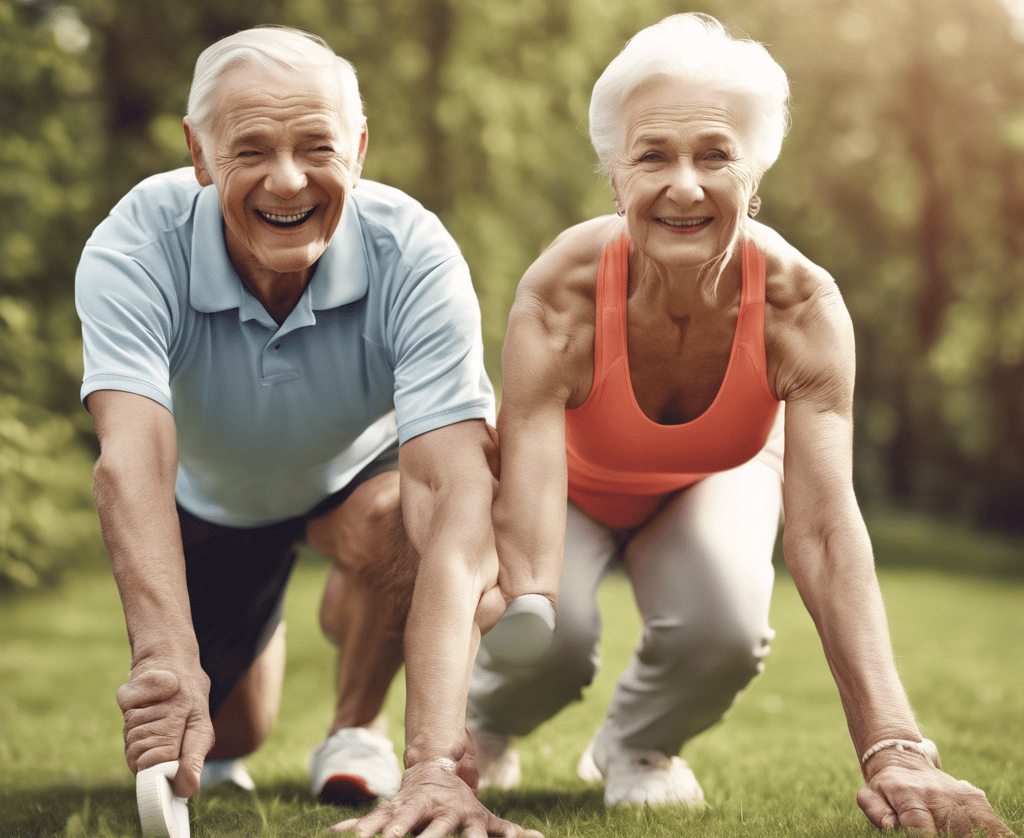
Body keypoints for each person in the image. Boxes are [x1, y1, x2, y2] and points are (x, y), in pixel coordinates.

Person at [468, 13, 1014, 837]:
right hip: (572, 487)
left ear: (753, 180)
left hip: (714, 476)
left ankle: (638, 746)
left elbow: (826, 531)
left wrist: (896, 745)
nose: (684, 185)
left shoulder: (802, 307)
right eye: (653, 155)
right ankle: (490, 725)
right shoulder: (562, 294)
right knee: (552, 633)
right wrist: (525, 612)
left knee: (725, 624)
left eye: (715, 155)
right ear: (614, 178)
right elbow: (529, 525)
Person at [76, 26, 541, 838]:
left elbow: (452, 494)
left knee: (410, 522)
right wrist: (166, 659)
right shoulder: (135, 245)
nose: (286, 179)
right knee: (234, 733)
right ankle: (284, 614)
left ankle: (354, 728)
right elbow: (134, 463)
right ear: (198, 151)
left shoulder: (414, 252)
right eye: (250, 147)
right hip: (213, 506)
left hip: (351, 483)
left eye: (316, 146)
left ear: (357, 150)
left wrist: (435, 763)